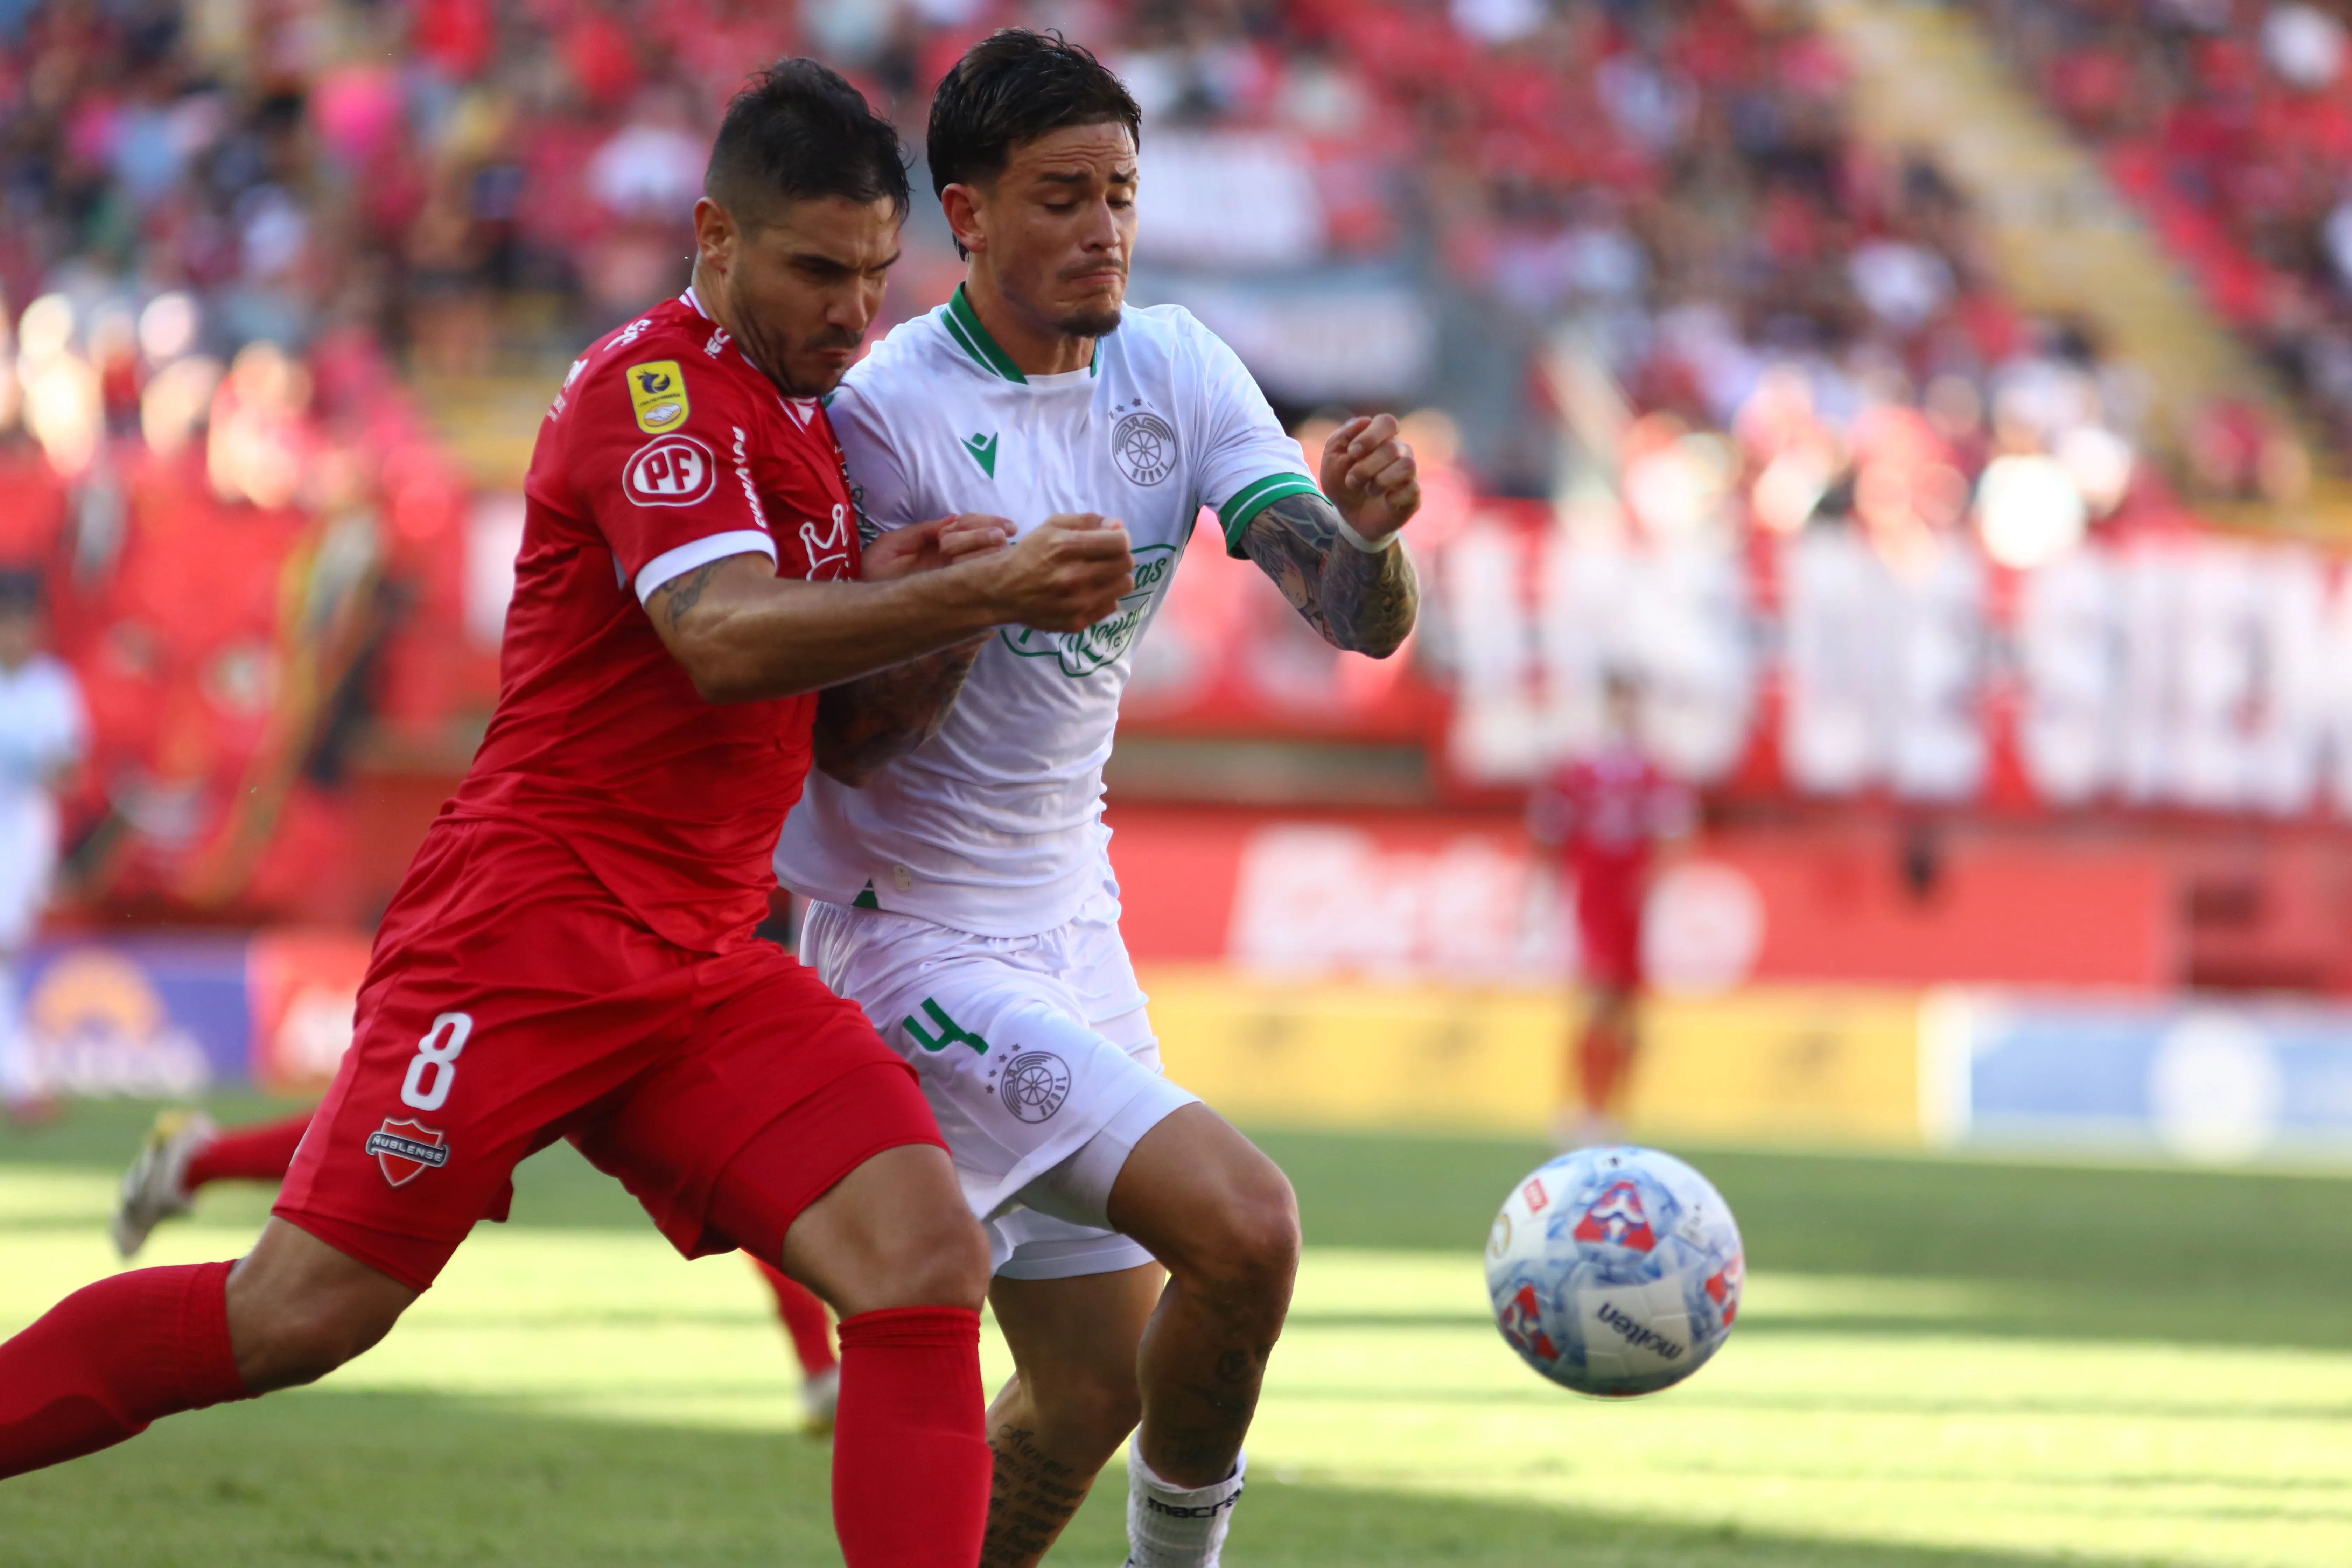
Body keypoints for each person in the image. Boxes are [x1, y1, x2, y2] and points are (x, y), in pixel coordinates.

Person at [0, 62, 1138, 1568]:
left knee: (918, 1254)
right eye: (816, 271)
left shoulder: (804, 427)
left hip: (707, 960)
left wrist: (925, 612)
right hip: (531, 934)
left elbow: (845, 742)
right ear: (714, 236)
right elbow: (722, 638)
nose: (856, 314)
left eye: (876, 275)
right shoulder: (649, 390)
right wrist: (967, 585)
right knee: (299, 1314)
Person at [773, 32, 1423, 1568]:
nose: (1103, 229)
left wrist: (1376, 538)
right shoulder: (883, 415)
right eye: (1061, 197)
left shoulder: (1180, 366)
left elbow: (1353, 614)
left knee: (1087, 1387)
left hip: (1074, 922)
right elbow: (843, 742)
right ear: (972, 214)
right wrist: (978, 597)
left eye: (1121, 193)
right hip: (904, 938)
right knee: (1248, 1227)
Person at [114, 1107, 848, 1431]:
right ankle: (197, 1159)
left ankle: (822, 1371)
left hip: (677, 938)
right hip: (574, 952)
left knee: (744, 1159)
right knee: (404, 1144)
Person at [1526, 669, 1696, 1148]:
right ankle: (1581, 1107)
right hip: (1594, 893)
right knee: (1597, 999)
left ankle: (1617, 1110)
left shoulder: (1655, 769)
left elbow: (1676, 831)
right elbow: (1550, 831)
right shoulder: (1581, 767)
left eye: (1633, 702)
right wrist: (1543, 893)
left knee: (1628, 1009)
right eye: (1620, 701)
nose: (1627, 711)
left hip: (1632, 900)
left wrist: (1661, 886)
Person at [0, 569, 86, 1123]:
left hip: (22, 829)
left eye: (23, 622)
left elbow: (67, 771)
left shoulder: (53, 686)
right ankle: (20, 1079)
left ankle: (20, 1079)